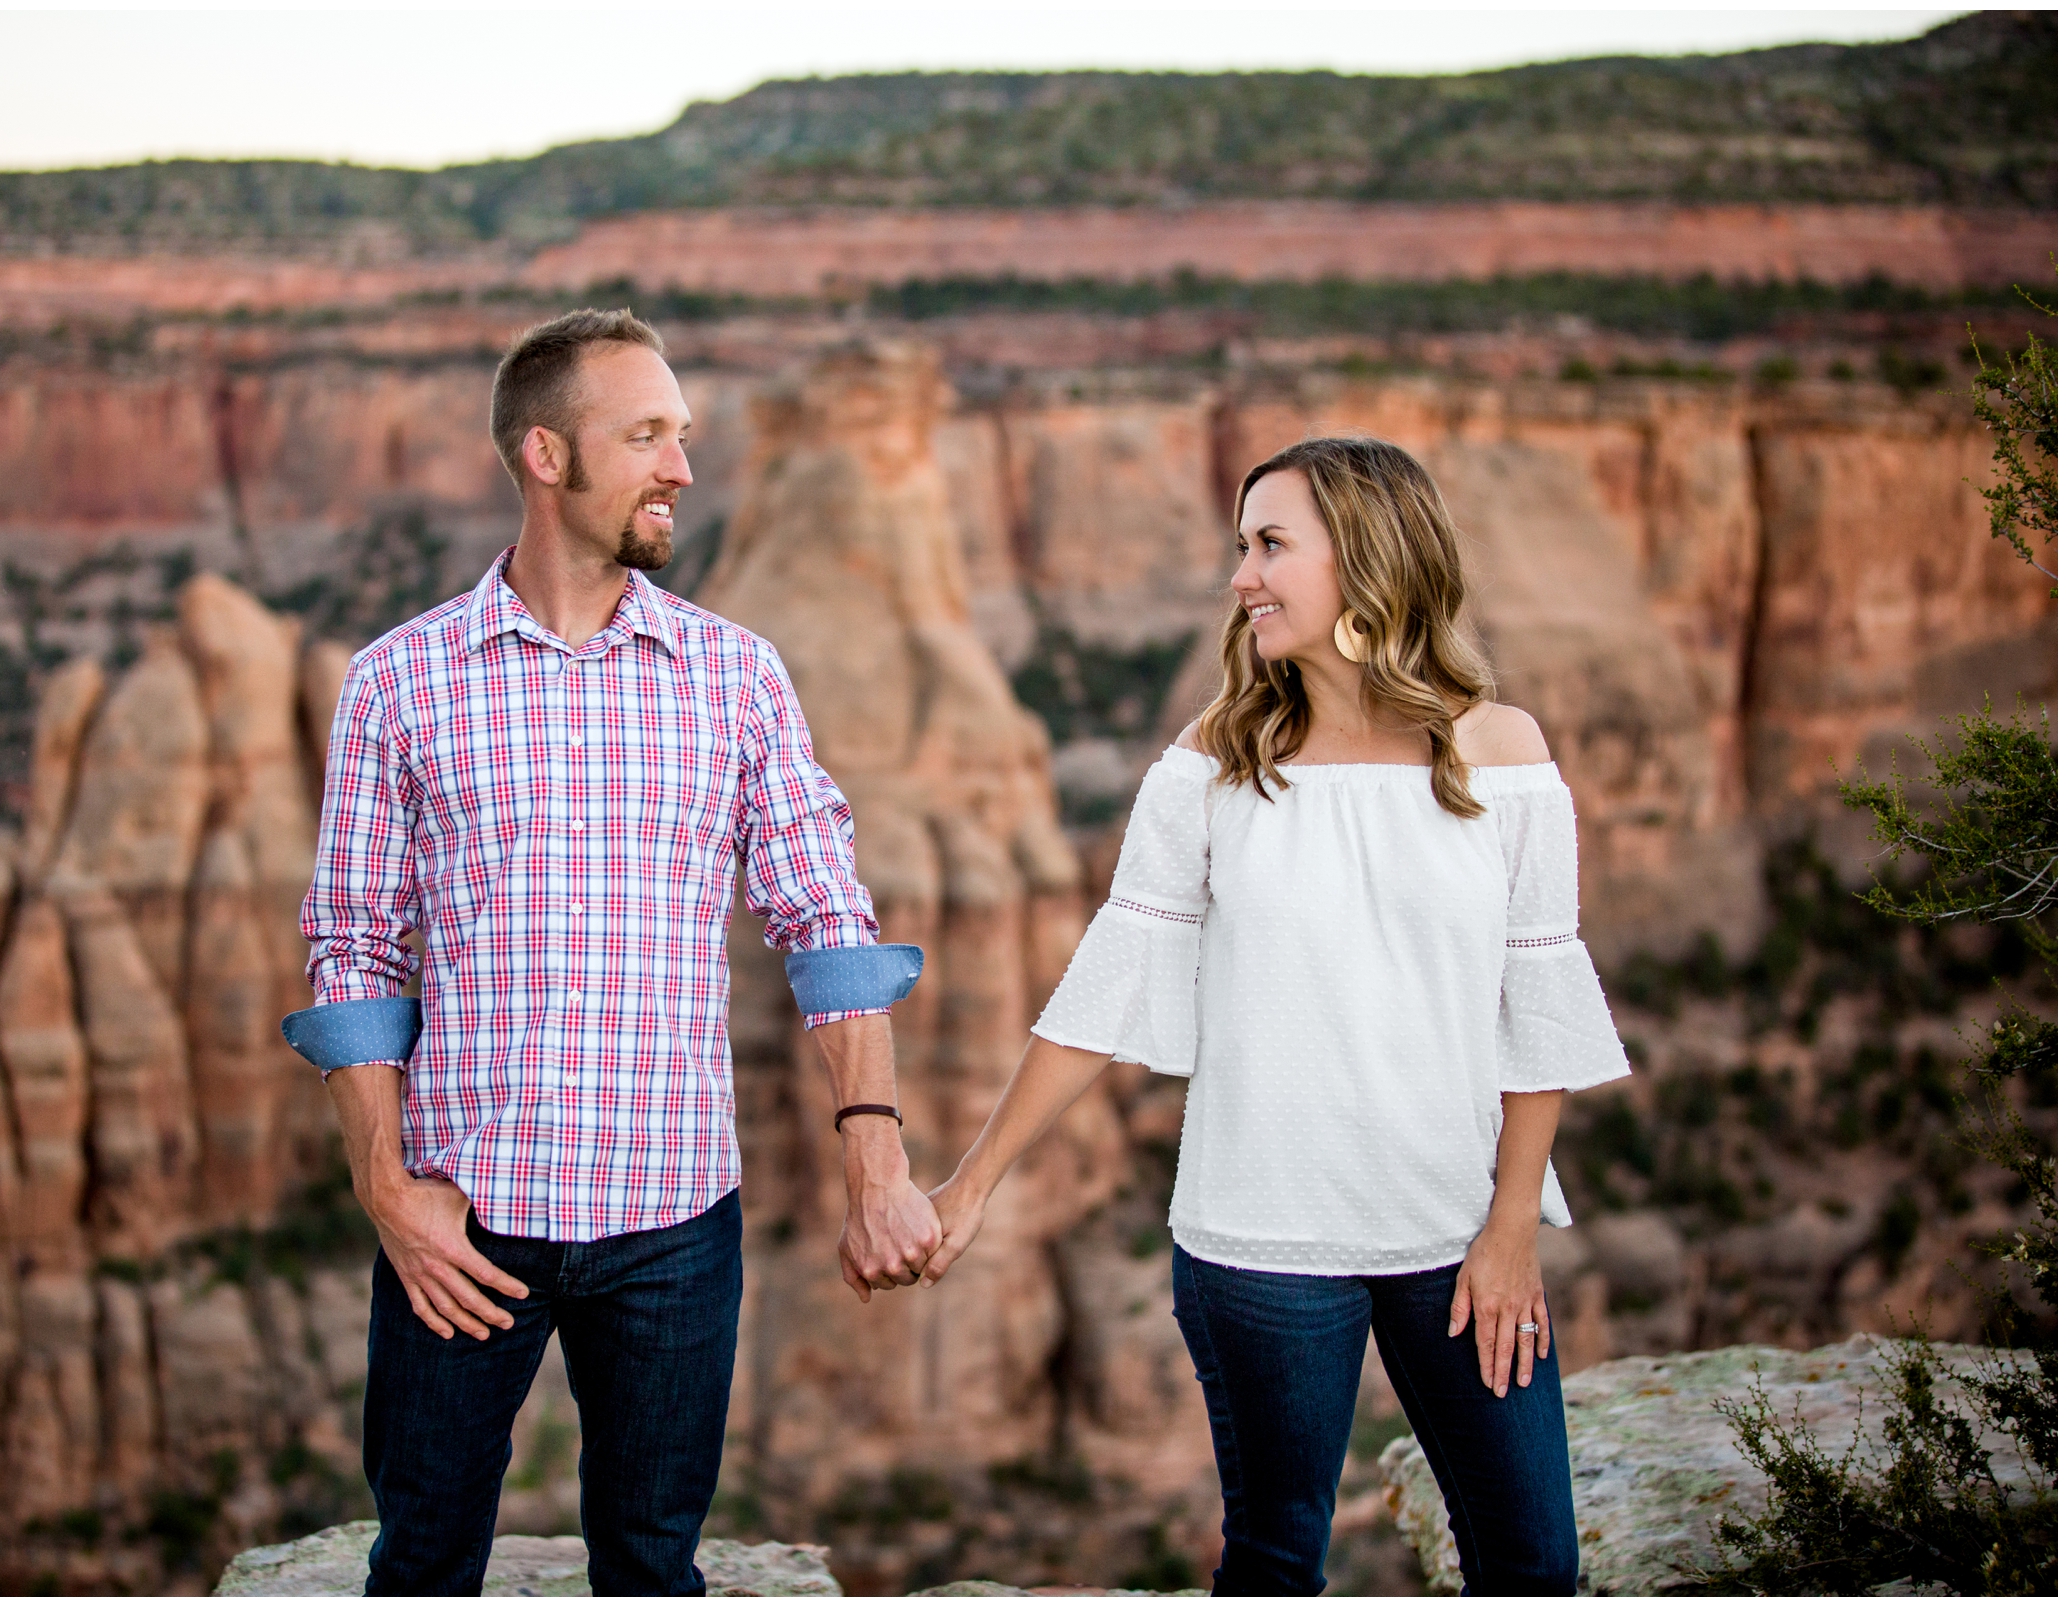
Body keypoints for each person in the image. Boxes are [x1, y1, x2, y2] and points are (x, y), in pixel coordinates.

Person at [283, 308, 944, 1596]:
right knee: (420, 1561)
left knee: (652, 1564)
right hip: (462, 1217)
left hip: (675, 1224)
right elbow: (354, 945)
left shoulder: (736, 675)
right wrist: (386, 1186)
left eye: (682, 436)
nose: (680, 468)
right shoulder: (399, 681)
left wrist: (876, 1158)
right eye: (645, 435)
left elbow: (827, 921)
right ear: (544, 452)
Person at [921, 435, 1630, 1596]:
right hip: (1259, 1240)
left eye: (1268, 545)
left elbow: (1535, 1002)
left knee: (1532, 1563)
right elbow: (1105, 987)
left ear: (1364, 556)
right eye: (1240, 547)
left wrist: (1511, 1227)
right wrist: (973, 1181)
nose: (1241, 575)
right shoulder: (1212, 763)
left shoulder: (1501, 753)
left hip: (1457, 1234)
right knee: (1272, 1557)